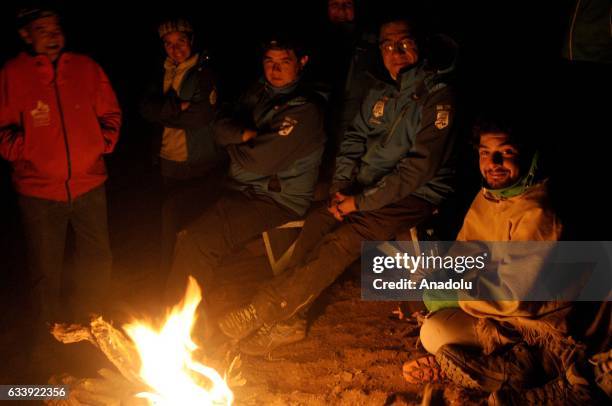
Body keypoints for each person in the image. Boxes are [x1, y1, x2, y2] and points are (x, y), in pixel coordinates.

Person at [217, 16, 458, 356]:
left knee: (344, 239)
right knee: (318, 223)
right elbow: (354, 139)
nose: (396, 52)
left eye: (404, 43)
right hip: (364, 186)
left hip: (418, 192)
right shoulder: (380, 91)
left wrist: (359, 202)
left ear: (421, 45)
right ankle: (289, 321)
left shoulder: (438, 96)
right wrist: (343, 186)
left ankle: (266, 308)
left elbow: (419, 167)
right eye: (388, 45)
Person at [402, 115, 611, 404]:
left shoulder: (538, 211)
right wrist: (443, 275)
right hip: (492, 306)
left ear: (527, 156)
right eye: (485, 153)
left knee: (435, 331)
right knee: (431, 299)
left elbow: (513, 297)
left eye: (506, 152)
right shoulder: (489, 197)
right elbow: (465, 252)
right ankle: (492, 365)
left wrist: (459, 289)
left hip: (531, 324)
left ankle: (522, 365)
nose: (494, 162)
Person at [164, 38, 326, 313]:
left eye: (284, 62)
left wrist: (233, 142)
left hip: (273, 199)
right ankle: (169, 301)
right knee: (174, 210)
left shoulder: (305, 108)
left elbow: (259, 162)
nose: (274, 70)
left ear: (302, 62)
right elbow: (217, 126)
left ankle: (181, 325)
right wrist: (243, 136)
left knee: (200, 241)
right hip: (239, 185)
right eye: (269, 62)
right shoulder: (258, 91)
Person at [0, 7, 121, 327]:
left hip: (90, 185)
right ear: (26, 35)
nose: (53, 36)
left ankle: (95, 330)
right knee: (45, 270)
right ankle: (48, 339)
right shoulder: (12, 74)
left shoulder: (85, 67)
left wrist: (99, 145)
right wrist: (31, 150)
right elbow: (2, 133)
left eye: (56, 28)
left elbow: (111, 115)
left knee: (96, 261)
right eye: (42, 29)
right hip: (39, 193)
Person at [140, 18, 226, 276]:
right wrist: (178, 108)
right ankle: (171, 275)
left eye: (181, 42)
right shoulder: (161, 71)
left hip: (198, 162)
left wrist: (162, 111)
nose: (175, 49)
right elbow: (144, 108)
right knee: (171, 223)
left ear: (192, 41)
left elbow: (200, 117)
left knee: (196, 223)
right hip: (169, 161)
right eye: (168, 44)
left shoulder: (203, 73)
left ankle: (199, 278)